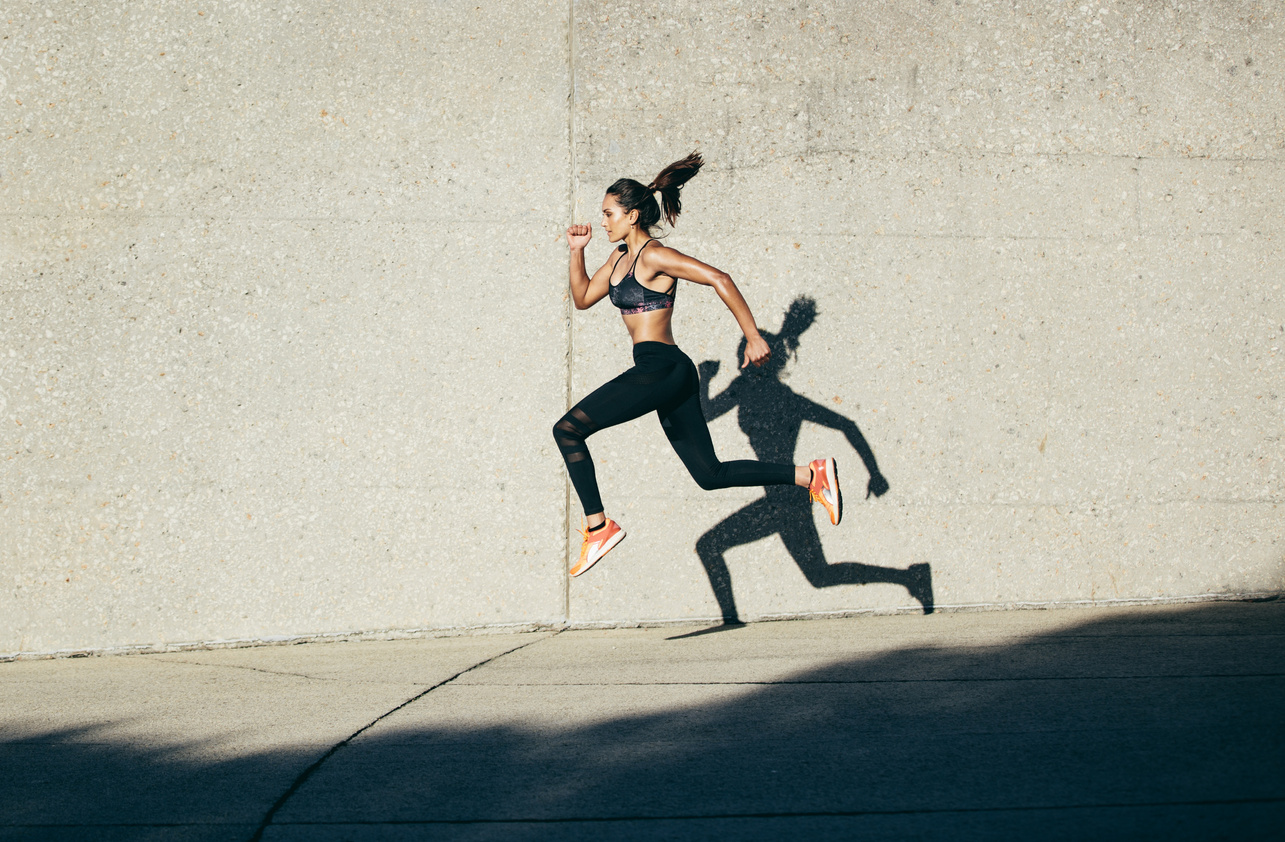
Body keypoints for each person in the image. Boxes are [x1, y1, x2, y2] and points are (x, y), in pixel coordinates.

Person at [555, 152, 840, 576]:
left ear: (632, 215)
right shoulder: (616, 259)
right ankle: (810, 475)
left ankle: (598, 526)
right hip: (666, 372)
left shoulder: (654, 256)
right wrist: (577, 252)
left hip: (662, 365)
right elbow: (582, 299)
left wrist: (754, 335)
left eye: (609, 213)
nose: (603, 221)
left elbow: (719, 278)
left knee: (568, 429)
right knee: (709, 474)